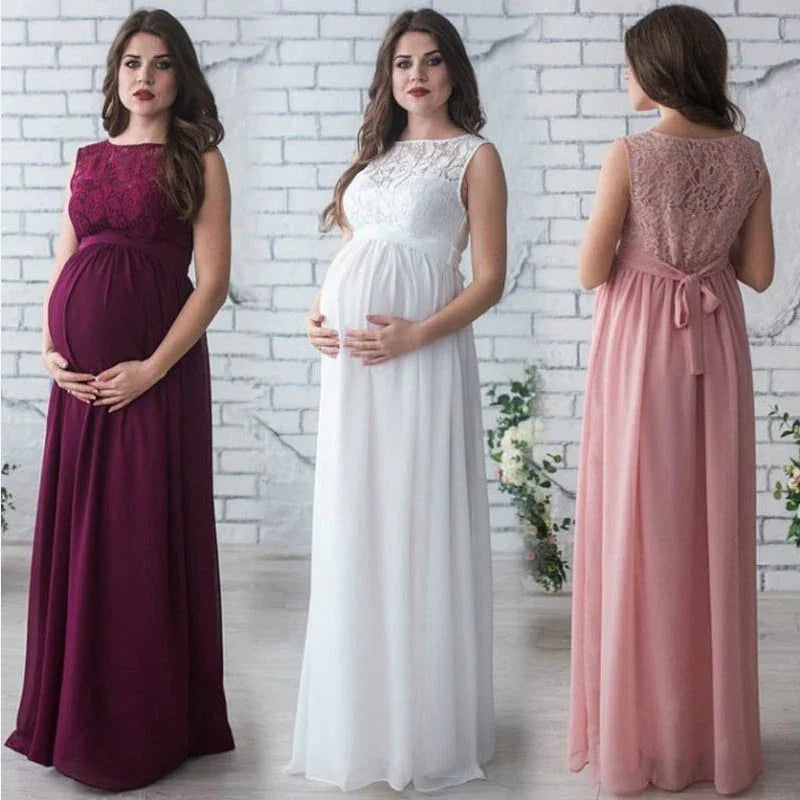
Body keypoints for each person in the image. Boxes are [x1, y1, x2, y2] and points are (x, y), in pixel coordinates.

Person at [5, 9, 235, 790]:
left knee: (137, 543)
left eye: (161, 63)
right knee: (83, 542)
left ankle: (140, 729)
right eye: (132, 62)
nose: (145, 76)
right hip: (79, 386)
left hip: (154, 380)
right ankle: (72, 718)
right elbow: (64, 262)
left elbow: (212, 284)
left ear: (181, 76)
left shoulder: (199, 158)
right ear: (116, 75)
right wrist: (49, 349)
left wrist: (152, 369)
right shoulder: (88, 160)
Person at [287, 7, 507, 793]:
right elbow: (357, 248)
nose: (417, 74)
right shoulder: (374, 158)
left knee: (416, 518)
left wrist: (417, 335)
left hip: (421, 360)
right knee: (359, 518)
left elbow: (489, 279)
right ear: (389, 75)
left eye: (433, 60)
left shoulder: (475, 156)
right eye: (404, 62)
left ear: (454, 72)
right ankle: (363, 720)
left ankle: (423, 727)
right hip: (352, 370)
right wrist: (318, 313)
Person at [568, 4, 773, 796]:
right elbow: (759, 273)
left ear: (657, 70)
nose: (624, 76)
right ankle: (707, 737)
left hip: (640, 350)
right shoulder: (748, 155)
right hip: (715, 345)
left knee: (637, 523)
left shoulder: (630, 153)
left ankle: (641, 733)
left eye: (632, 63)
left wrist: (647, 250)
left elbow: (591, 270)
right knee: (707, 526)